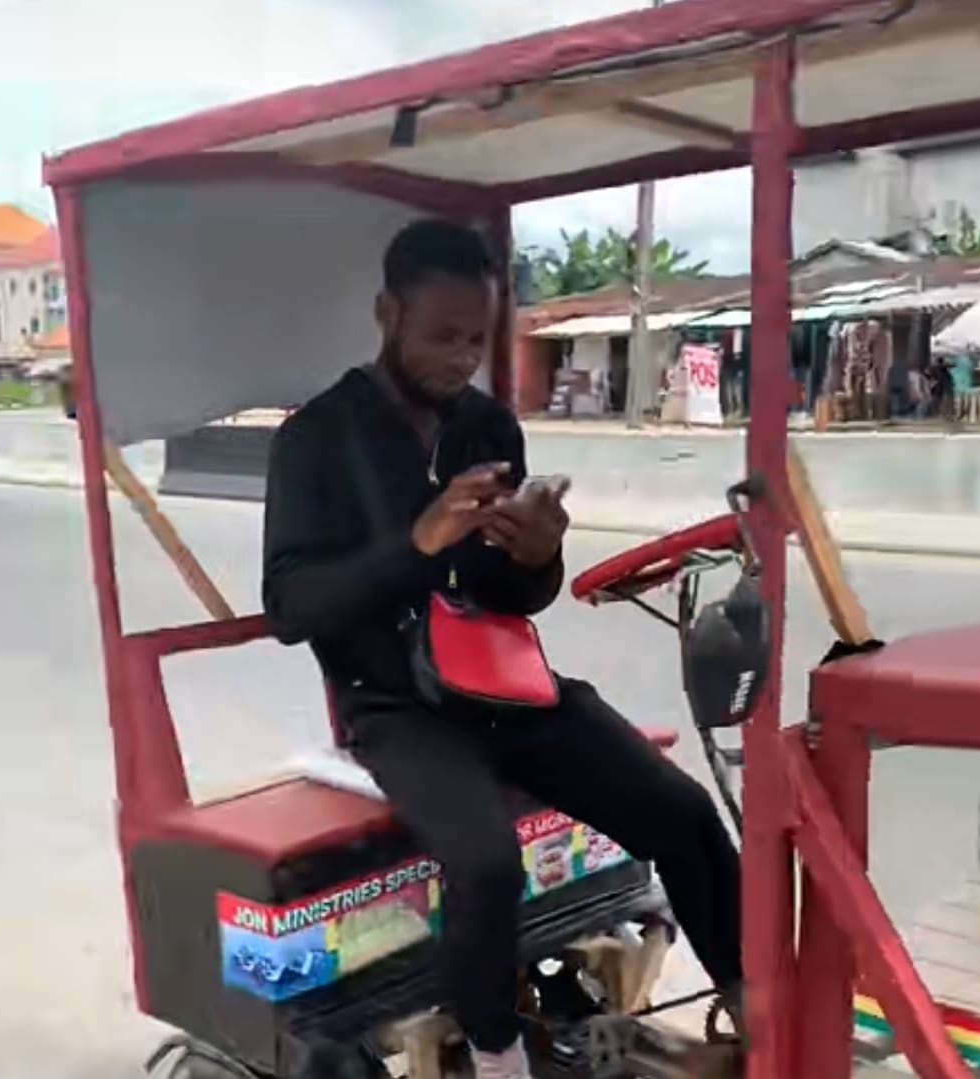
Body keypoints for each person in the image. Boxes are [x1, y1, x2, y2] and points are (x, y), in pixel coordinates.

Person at [262, 219, 743, 1079]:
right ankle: (493, 1050)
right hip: (394, 705)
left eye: (474, 340)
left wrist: (535, 553)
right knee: (485, 862)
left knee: (684, 812)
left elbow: (510, 598)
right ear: (385, 314)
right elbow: (292, 606)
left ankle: (756, 1007)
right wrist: (417, 542)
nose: (458, 358)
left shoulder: (485, 425)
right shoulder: (315, 439)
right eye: (440, 336)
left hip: (501, 686)